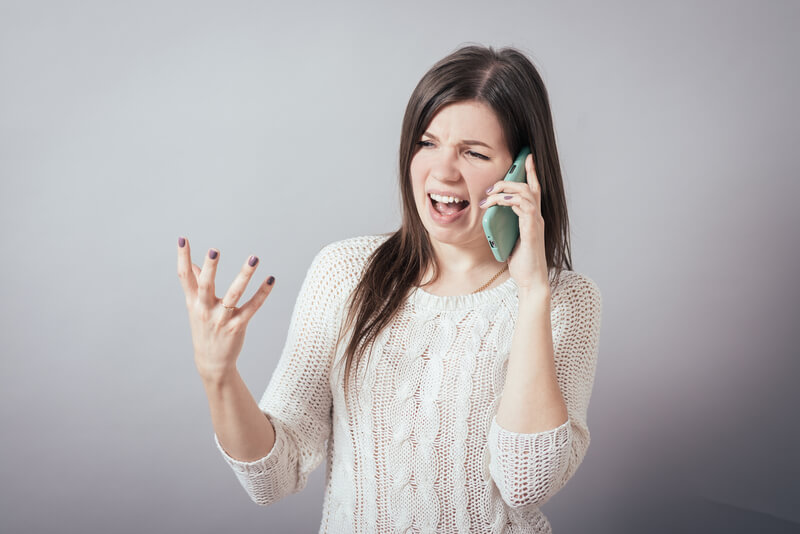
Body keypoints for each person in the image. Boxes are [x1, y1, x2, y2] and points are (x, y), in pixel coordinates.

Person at [176, 44, 602, 534]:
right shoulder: (346, 273)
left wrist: (532, 292)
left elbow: (526, 483)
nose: (443, 171)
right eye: (427, 143)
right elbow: (272, 480)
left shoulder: (566, 301)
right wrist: (218, 374)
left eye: (475, 153)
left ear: (523, 170)